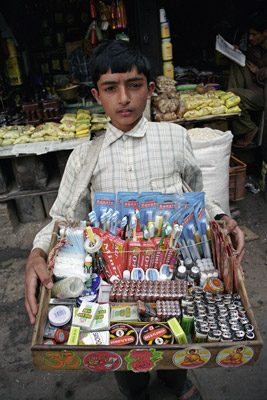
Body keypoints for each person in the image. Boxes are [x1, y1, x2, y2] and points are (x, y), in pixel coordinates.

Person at [25, 39, 245, 400]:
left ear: (151, 89)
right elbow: (64, 219)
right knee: (125, 350)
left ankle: (175, 382)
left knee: (178, 340)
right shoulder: (84, 156)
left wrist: (220, 216)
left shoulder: (174, 138)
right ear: (97, 96)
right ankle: (136, 389)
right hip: (114, 280)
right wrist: (36, 251)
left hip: (176, 274)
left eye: (135, 85)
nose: (124, 98)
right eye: (111, 88)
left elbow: (197, 197)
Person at [228, 14, 267, 147]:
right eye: (249, 34)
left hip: (263, 93)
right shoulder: (258, 47)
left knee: (233, 95)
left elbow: (259, 70)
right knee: (237, 63)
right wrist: (237, 53)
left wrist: (259, 71)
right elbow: (252, 62)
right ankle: (232, 98)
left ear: (265, 33)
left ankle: (249, 129)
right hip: (256, 84)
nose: (250, 38)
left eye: (254, 34)